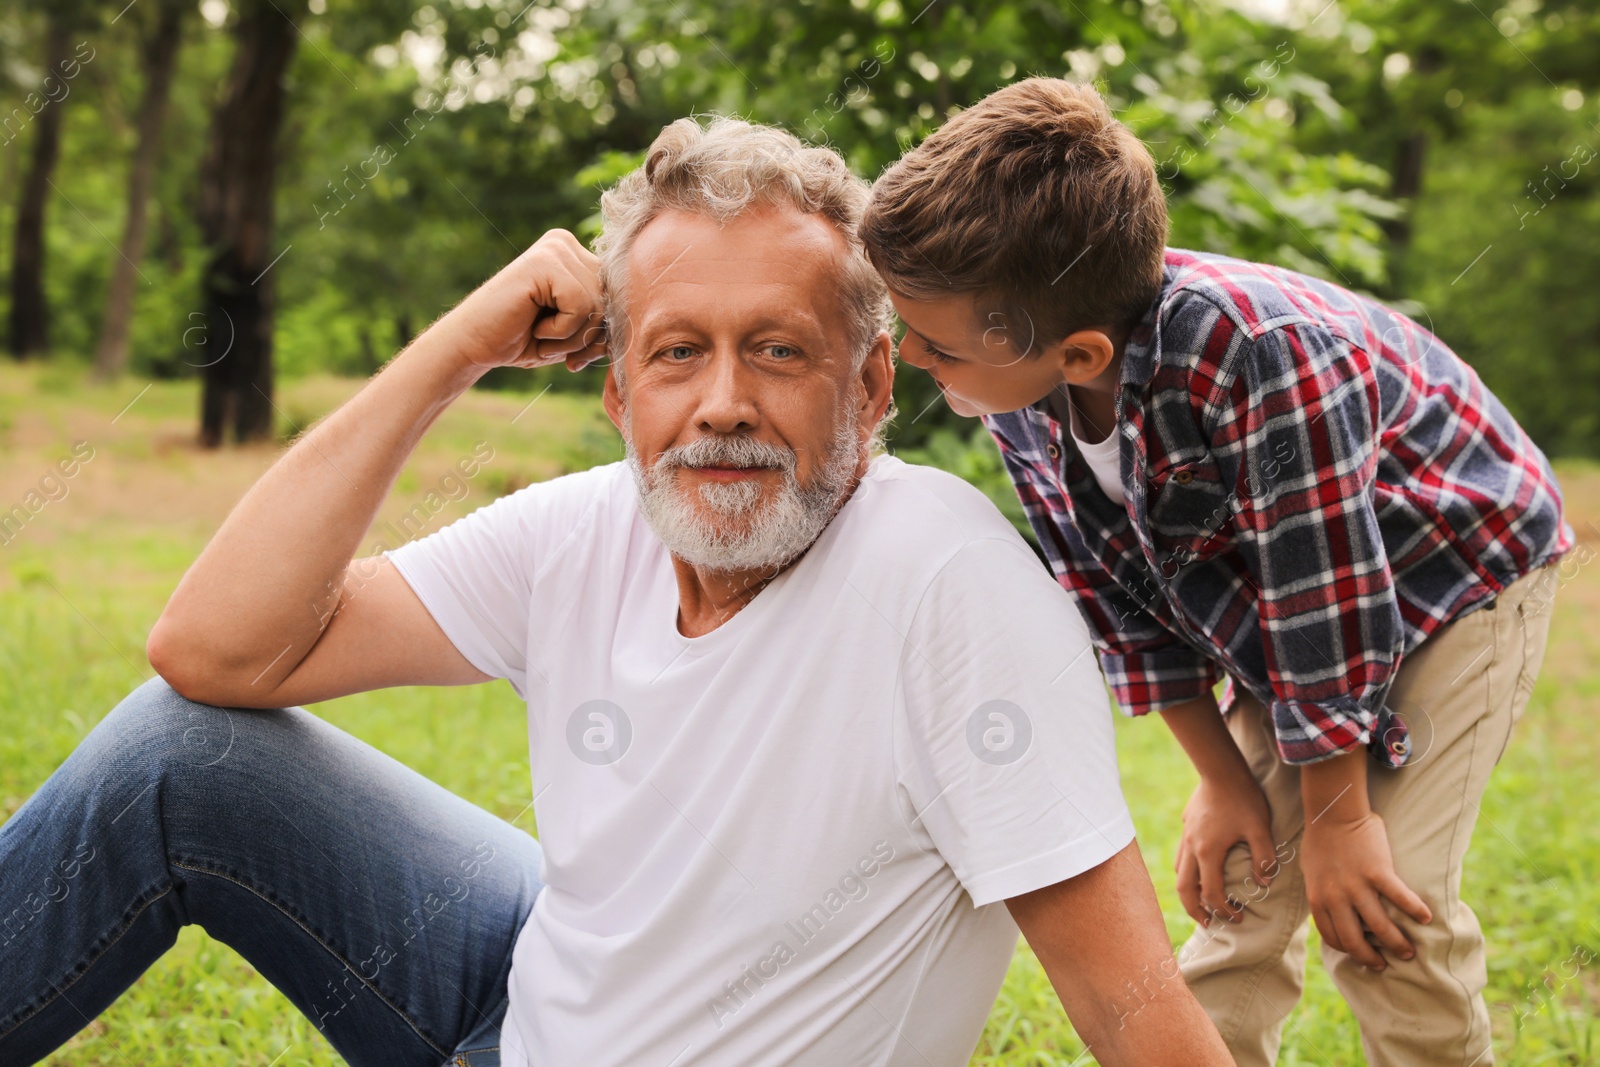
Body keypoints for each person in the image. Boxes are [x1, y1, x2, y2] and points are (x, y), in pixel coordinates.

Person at [0, 116, 1232, 1066]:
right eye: (678, 350)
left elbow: (1135, 1013)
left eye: (779, 349)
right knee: (180, 754)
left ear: (868, 391)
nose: (723, 402)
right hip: (533, 989)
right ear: (617, 392)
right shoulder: (593, 525)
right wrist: (459, 345)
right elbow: (216, 650)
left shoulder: (948, 588)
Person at [860, 77, 1571, 1067]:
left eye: (932, 344)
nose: (910, 354)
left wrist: (1339, 818)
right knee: (1242, 879)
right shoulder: (1021, 393)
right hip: (1300, 599)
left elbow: (1321, 589)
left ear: (1078, 349)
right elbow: (1115, 593)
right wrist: (1221, 777)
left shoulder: (1259, 354)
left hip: (1452, 567)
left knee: (1375, 894)